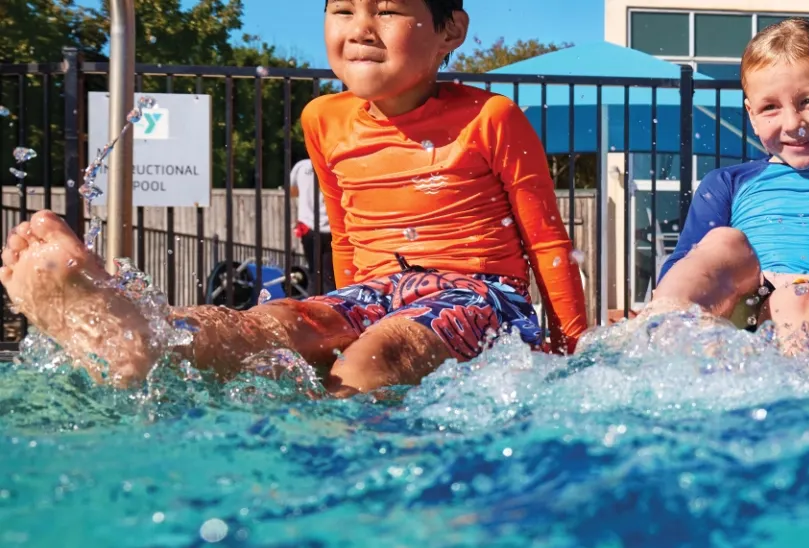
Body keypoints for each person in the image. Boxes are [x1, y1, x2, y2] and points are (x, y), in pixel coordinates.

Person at [0, 0, 589, 393]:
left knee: (374, 358)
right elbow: (350, 235)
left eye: (386, 10)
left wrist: (570, 352)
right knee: (271, 324)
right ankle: (139, 337)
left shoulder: (491, 117)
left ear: (450, 32)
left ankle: (335, 464)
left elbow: (546, 242)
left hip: (480, 291)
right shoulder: (323, 118)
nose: (360, 27)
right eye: (342, 9)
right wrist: (331, 318)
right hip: (375, 288)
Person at [647, 19, 809, 366]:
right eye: (770, 107)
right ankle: (659, 332)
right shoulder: (726, 183)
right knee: (723, 242)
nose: (792, 123)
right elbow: (687, 259)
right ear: (751, 115)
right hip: (745, 307)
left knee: (794, 298)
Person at [289, 158, 334, 294]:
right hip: (331, 227)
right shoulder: (332, 165)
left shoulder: (301, 166)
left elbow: (292, 192)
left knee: (314, 273)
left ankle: (313, 305)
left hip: (308, 227)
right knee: (329, 275)